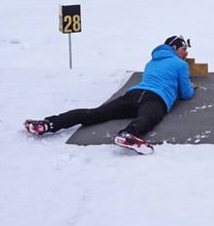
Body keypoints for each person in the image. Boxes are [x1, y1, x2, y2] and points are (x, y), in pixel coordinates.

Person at [25, 35, 197, 154]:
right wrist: (190, 86)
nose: (186, 52)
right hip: (156, 99)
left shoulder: (151, 61)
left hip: (133, 94)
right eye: (183, 48)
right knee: (148, 118)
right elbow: (186, 93)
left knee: (95, 114)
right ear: (174, 48)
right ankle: (127, 134)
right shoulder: (180, 64)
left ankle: (48, 123)